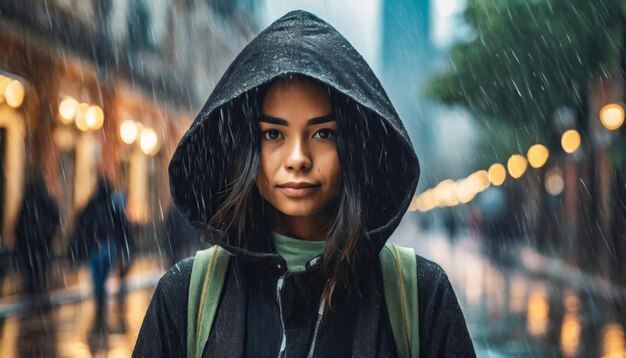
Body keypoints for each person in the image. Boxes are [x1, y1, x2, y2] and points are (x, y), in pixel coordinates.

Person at [133, 10, 475, 357]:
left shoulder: (419, 295)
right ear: (249, 147)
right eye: (274, 134)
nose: (298, 158)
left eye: (323, 133)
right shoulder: (183, 296)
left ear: (351, 147)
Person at [69, 175, 131, 335]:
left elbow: (81, 225)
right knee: (102, 276)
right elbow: (122, 228)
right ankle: (100, 302)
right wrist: (124, 247)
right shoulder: (113, 206)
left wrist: (80, 246)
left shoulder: (92, 205)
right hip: (108, 247)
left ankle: (99, 301)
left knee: (96, 277)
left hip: (95, 249)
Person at [15, 168, 60, 296]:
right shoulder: (45, 201)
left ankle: (33, 288)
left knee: (31, 269)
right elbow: (55, 220)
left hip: (31, 242)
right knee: (39, 268)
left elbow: (20, 222)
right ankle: (36, 288)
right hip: (41, 242)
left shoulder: (29, 202)